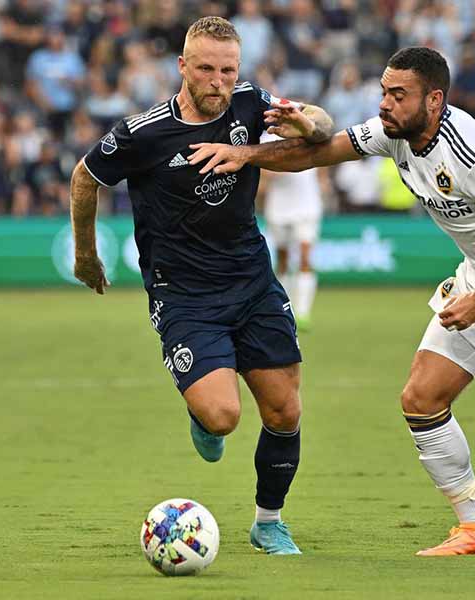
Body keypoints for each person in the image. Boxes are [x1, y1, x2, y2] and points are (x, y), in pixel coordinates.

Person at [187, 46, 475, 557]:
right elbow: (318, 152)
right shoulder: (393, 134)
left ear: (434, 100)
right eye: (383, 92)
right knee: (420, 399)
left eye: (398, 95)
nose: (384, 104)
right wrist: (246, 156)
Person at [69, 16, 334, 555]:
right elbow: (85, 177)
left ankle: (268, 521)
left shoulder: (249, 103)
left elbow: (323, 127)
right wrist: (84, 254)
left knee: (284, 410)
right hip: (184, 294)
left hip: (252, 281)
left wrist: (305, 123)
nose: (219, 80)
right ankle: (201, 415)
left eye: (228, 69)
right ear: (183, 67)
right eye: (207, 68)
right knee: (224, 415)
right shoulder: (142, 134)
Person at [259, 131, 326, 330]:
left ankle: (303, 312)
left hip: (307, 207)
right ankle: (283, 308)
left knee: (305, 257)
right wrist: (288, 165)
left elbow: (323, 162)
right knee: (283, 260)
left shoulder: (310, 134)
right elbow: (263, 171)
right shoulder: (266, 139)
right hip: (278, 207)